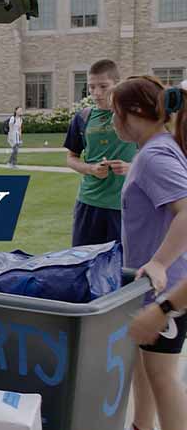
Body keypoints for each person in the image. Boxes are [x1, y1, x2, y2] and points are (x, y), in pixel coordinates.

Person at [111, 76, 187, 430]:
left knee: (163, 378)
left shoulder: (155, 154)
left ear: (133, 113)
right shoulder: (156, 149)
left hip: (167, 287)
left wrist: (159, 262)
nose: (113, 120)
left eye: (115, 112)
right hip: (153, 287)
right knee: (143, 365)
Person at [64, 59, 137, 247]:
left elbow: (155, 156)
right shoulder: (82, 118)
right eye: (91, 87)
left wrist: (131, 167)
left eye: (103, 86)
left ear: (117, 84)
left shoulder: (133, 116)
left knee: (121, 267)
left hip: (123, 206)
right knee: (82, 262)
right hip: (88, 203)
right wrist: (90, 169)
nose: (96, 93)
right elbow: (71, 159)